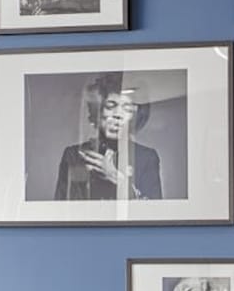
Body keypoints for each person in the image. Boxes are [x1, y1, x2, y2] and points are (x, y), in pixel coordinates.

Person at [54, 72, 163, 201]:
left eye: (127, 108)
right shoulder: (73, 155)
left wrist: (116, 178)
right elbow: (62, 211)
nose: (118, 115)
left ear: (135, 116)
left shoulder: (147, 157)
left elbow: (152, 214)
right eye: (110, 106)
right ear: (97, 111)